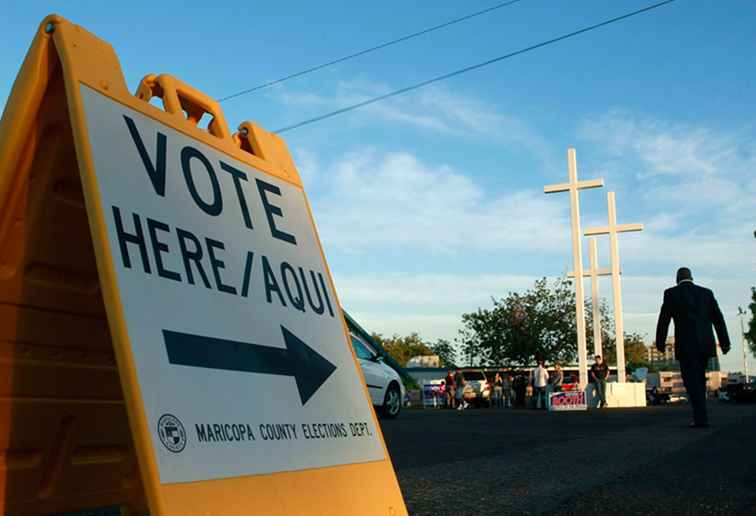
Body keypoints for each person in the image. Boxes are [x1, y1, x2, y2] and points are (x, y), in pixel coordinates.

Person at [655, 267, 730, 428]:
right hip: (705, 344)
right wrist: (725, 342)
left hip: (686, 345)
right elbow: (718, 319)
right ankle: (701, 416)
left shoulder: (671, 293)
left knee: (691, 381)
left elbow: (664, 319)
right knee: (700, 379)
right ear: (692, 277)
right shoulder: (706, 293)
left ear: (677, 279)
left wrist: (660, 342)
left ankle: (700, 418)